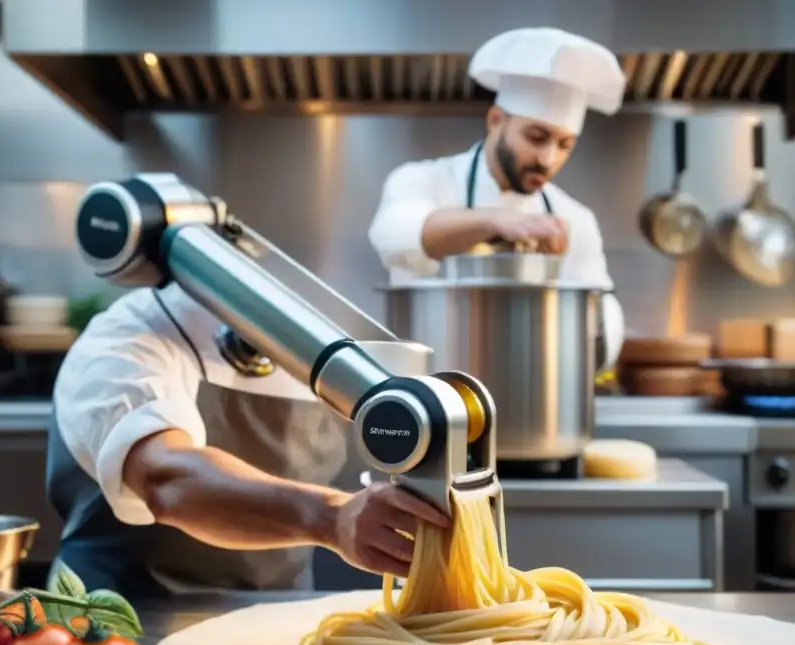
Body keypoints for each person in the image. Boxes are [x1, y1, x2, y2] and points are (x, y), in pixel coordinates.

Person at [45, 283, 449, 597]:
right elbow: (167, 481)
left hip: (273, 626)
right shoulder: (125, 341)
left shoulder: (321, 341)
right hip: (121, 625)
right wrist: (334, 518)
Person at [369, 27, 627, 323]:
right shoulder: (422, 179)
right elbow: (393, 236)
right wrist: (497, 221)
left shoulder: (573, 219)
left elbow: (603, 313)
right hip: (430, 369)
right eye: (536, 137)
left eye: (564, 145)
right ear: (495, 121)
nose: (548, 159)